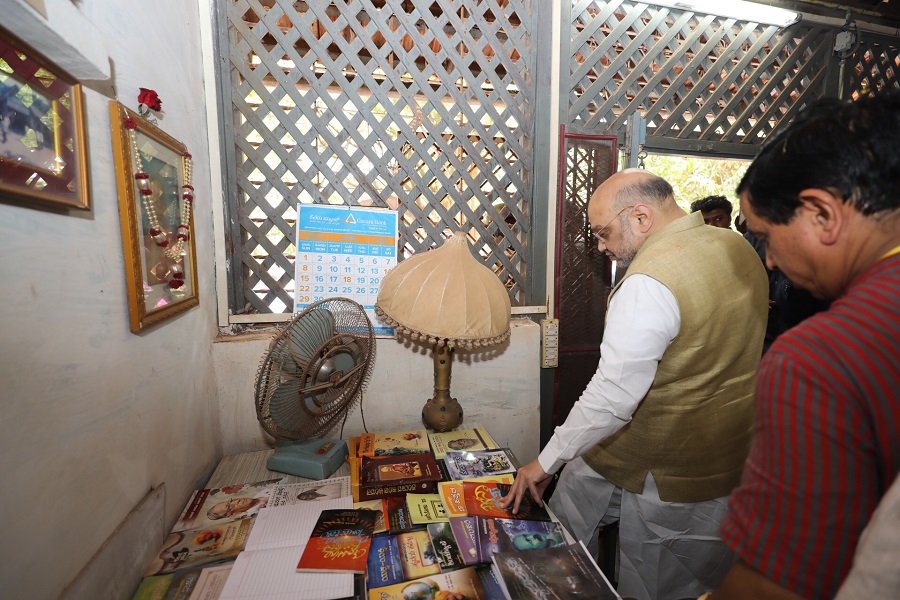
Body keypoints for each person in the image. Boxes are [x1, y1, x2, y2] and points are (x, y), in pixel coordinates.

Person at [501, 169, 769, 599]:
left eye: (603, 233)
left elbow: (613, 398)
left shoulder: (648, 282)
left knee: (652, 580)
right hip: (675, 447)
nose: (602, 246)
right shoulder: (735, 246)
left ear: (641, 217)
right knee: (565, 519)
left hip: (674, 470)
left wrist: (542, 463)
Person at [708, 93, 900, 599]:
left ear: (821, 213)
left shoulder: (818, 358)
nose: (768, 261)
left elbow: (777, 584)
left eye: (767, 236)